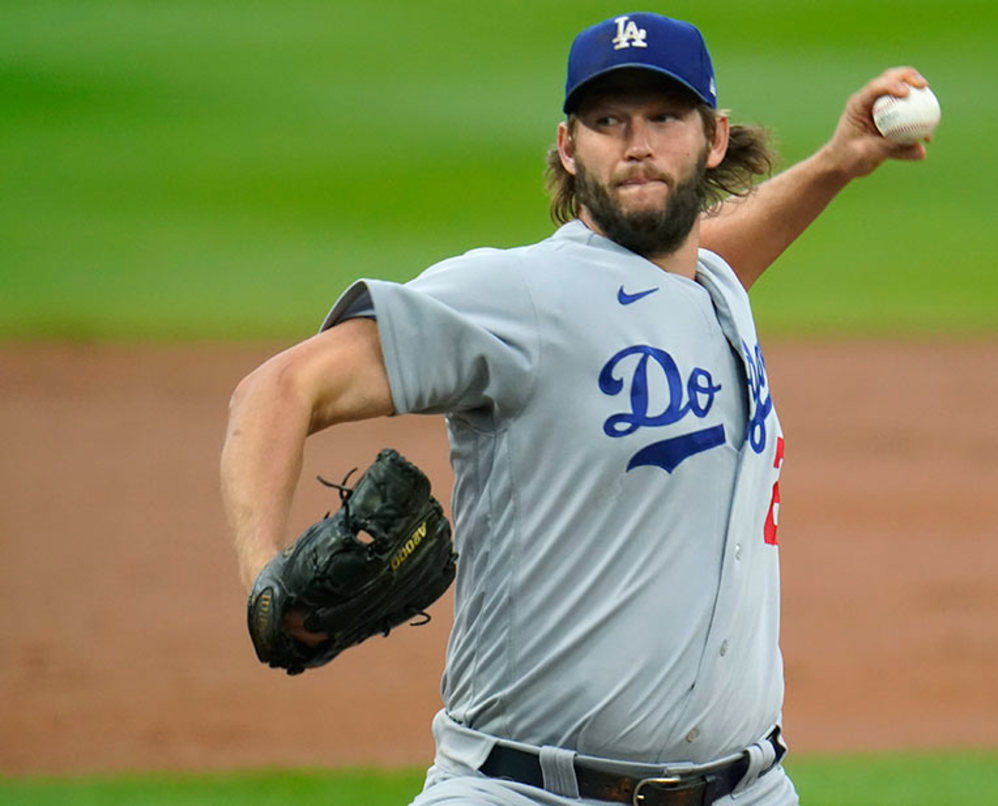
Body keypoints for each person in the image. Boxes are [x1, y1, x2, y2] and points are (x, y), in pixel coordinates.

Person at [221, 11, 930, 806]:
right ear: (568, 146)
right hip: (524, 789)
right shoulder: (516, 295)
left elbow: (694, 261)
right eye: (608, 122)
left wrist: (836, 163)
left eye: (665, 118)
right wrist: (264, 580)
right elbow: (279, 389)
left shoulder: (712, 287)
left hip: (749, 789)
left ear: (714, 138)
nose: (638, 144)